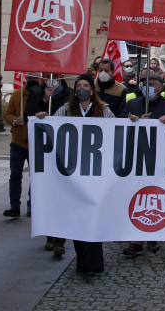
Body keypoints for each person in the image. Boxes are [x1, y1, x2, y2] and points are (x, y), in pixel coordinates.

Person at [54, 74, 115, 279]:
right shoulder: (65, 110)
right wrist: (43, 119)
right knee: (78, 218)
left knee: (93, 217)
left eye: (85, 85)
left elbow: (115, 131)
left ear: (92, 89)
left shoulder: (103, 110)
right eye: (78, 85)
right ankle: (82, 261)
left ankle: (93, 264)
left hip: (96, 173)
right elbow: (53, 129)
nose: (82, 88)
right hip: (73, 173)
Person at [121, 72, 165, 257]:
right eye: (144, 84)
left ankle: (153, 234)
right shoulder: (133, 104)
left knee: (155, 195)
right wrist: (132, 121)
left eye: (151, 84)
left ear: (160, 87)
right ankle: (135, 239)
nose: (147, 87)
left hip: (159, 158)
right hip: (137, 157)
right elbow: (117, 124)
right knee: (137, 196)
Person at [24, 77, 72, 256]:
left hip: (65, 153)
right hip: (47, 152)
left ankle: (59, 238)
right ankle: (51, 234)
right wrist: (44, 101)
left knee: (62, 196)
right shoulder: (36, 92)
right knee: (49, 194)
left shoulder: (69, 94)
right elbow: (27, 116)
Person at [3, 73, 40, 218]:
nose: (32, 81)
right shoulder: (17, 94)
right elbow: (7, 114)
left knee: (35, 176)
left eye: (35, 78)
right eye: (29, 78)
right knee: (15, 175)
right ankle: (14, 205)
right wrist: (14, 120)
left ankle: (32, 204)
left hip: (35, 143)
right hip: (18, 142)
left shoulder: (43, 96)